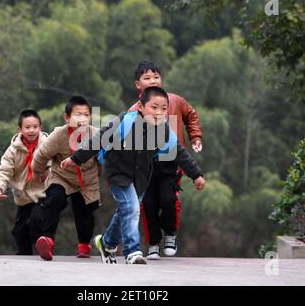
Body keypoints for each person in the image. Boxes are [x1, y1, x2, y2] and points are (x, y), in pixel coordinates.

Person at [61, 86, 205, 264]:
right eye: (154, 107)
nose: (159, 113)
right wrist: (75, 159)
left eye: (164, 109)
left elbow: (179, 152)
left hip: (141, 177)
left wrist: (196, 175)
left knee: (125, 211)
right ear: (141, 108)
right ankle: (132, 251)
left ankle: (107, 243)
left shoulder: (163, 131)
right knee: (132, 209)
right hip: (118, 173)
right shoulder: (125, 121)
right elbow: (99, 139)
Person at [128, 60, 203, 259]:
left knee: (169, 200)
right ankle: (153, 243)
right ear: (138, 84)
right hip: (146, 169)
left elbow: (191, 115)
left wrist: (195, 136)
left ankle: (170, 233)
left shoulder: (175, 101)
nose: (153, 80)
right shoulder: (133, 111)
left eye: (156, 77)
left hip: (172, 164)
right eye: (147, 78)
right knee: (148, 204)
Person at [30, 96, 100, 260]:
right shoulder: (58, 135)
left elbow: (108, 155)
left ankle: (84, 246)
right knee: (54, 199)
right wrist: (40, 172)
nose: (82, 119)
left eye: (86, 115)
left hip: (87, 181)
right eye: (77, 114)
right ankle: (47, 240)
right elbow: (40, 156)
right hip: (61, 176)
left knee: (85, 212)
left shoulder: (96, 135)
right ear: (67, 118)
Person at [0, 109, 49, 255]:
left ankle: (44, 251)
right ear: (20, 129)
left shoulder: (48, 144)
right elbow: (4, 170)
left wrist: (48, 171)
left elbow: (56, 162)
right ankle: (24, 256)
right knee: (19, 231)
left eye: (35, 127)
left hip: (43, 194)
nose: (31, 130)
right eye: (27, 127)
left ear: (40, 128)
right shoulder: (13, 151)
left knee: (36, 222)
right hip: (23, 197)